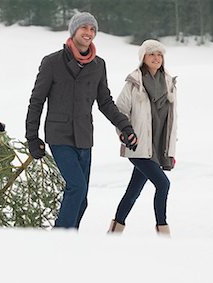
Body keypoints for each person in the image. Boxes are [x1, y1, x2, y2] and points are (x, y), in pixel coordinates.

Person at [25, 12, 138, 229]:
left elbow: (105, 102)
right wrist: (32, 137)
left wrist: (124, 126)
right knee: (76, 187)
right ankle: (61, 239)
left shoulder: (98, 65)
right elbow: (36, 101)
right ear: (74, 31)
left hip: (84, 137)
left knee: (82, 198)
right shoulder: (52, 62)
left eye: (92, 29)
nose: (89, 33)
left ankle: (70, 240)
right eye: (84, 28)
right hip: (59, 136)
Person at [108, 40, 178, 236]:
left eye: (159, 55)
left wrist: (170, 151)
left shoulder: (169, 83)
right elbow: (120, 111)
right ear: (143, 58)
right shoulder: (134, 82)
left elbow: (172, 121)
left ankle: (114, 230)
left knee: (133, 191)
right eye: (151, 54)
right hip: (138, 146)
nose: (156, 58)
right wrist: (125, 133)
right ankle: (163, 232)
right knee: (163, 184)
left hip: (157, 147)